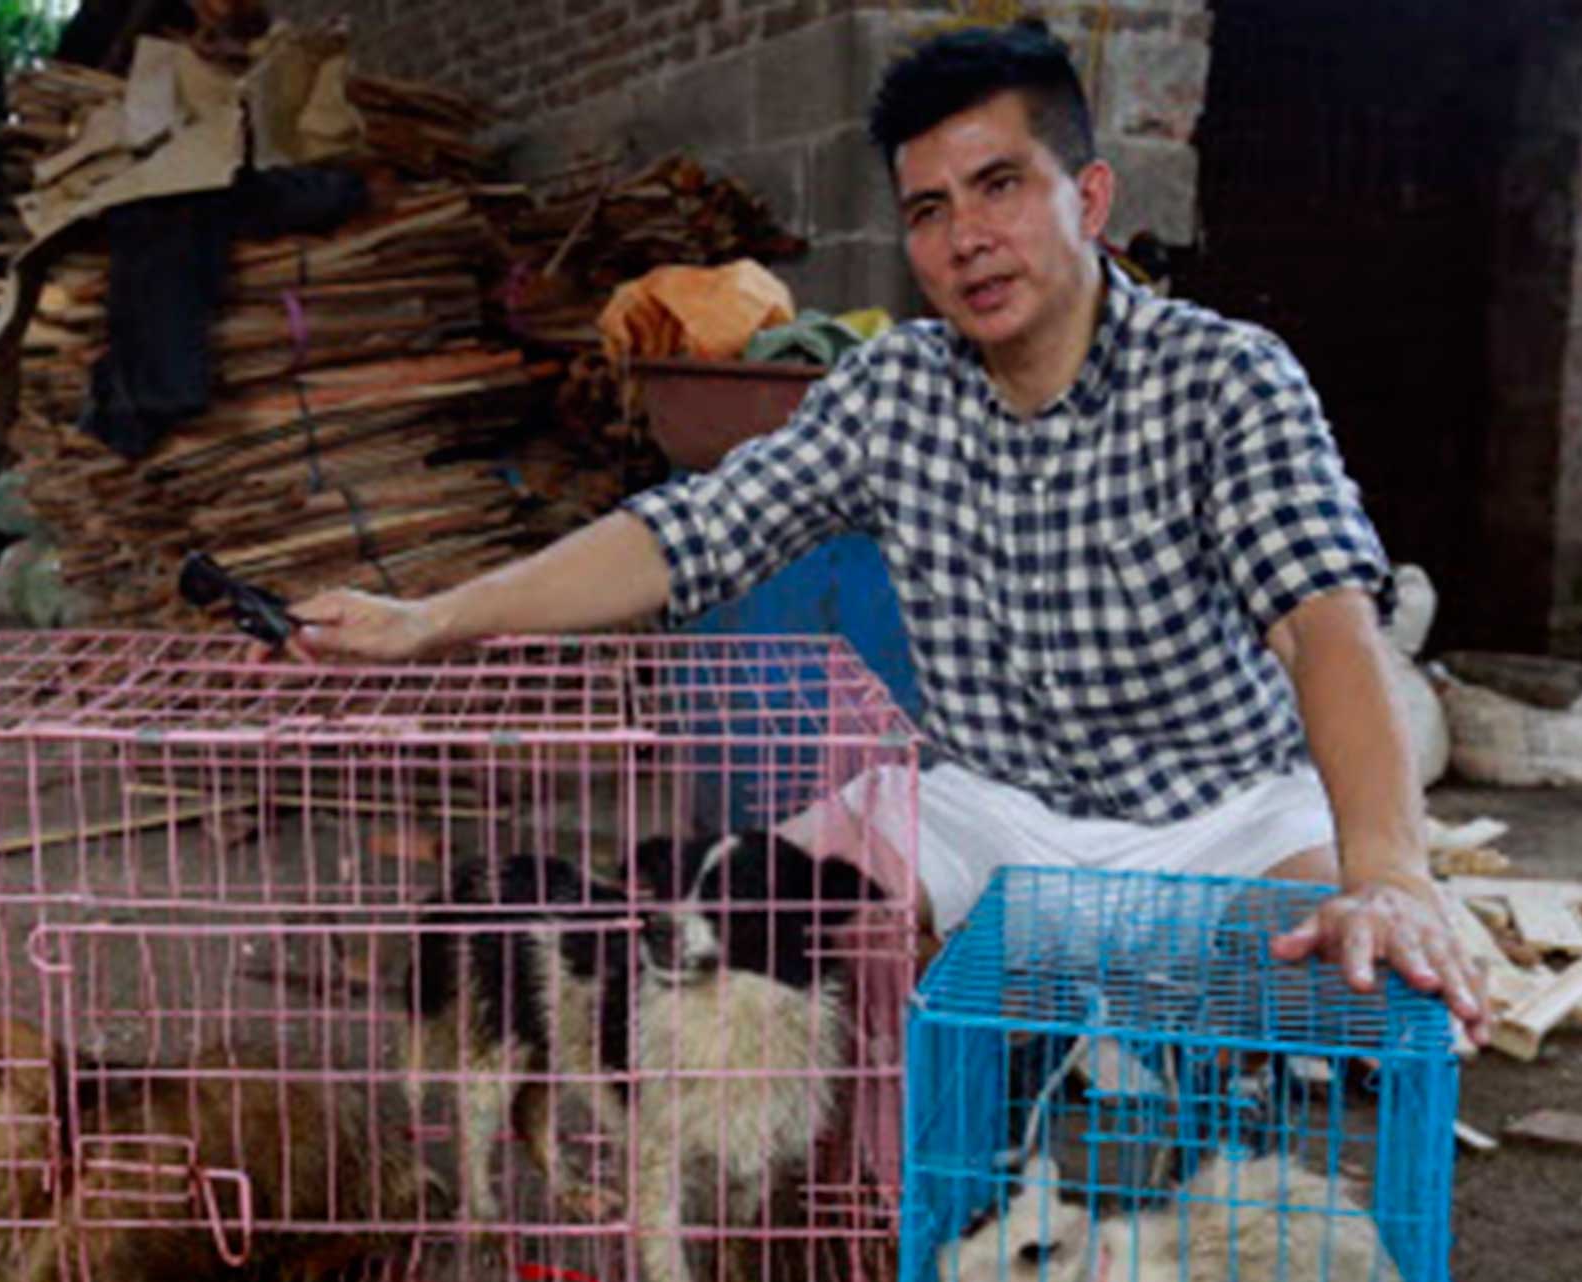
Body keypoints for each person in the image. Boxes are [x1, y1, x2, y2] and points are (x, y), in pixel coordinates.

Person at [275, 23, 1488, 1046]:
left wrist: (1386, 868)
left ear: (1092, 198)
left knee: (1372, 972)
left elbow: (1324, 620)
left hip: (1220, 812)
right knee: (753, 930)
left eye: (1000, 186)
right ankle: (885, 1215)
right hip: (997, 807)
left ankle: (1206, 1091)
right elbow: (692, 534)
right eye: (927, 208)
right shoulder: (891, 390)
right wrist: (434, 618)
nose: (964, 237)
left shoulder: (1227, 378)